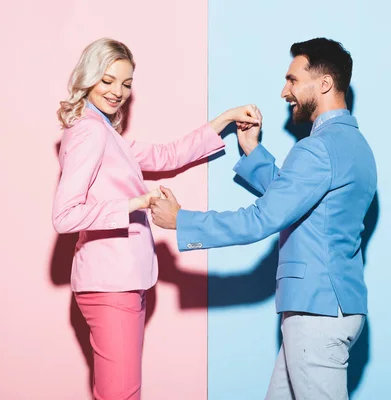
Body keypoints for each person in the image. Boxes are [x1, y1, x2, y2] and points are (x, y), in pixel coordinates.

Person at [150, 38, 377, 400]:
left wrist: (182, 220)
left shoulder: (317, 148)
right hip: (330, 306)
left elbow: (261, 219)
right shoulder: (354, 146)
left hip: (315, 312)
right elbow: (296, 199)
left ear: (323, 84)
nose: (284, 90)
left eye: (292, 79)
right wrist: (253, 151)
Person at [51, 38, 260, 400]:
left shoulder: (104, 132)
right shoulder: (89, 132)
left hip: (119, 282)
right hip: (110, 284)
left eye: (126, 84)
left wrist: (225, 119)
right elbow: (64, 216)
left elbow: (167, 155)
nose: (118, 92)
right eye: (108, 80)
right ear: (89, 78)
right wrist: (135, 202)